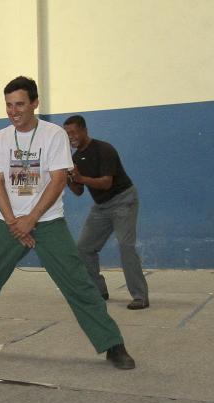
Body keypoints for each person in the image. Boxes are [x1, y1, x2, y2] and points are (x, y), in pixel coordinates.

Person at [0, 76, 135, 370]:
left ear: (34, 103)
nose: (13, 111)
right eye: (8, 106)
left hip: (48, 222)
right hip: (10, 224)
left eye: (19, 104)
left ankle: (113, 345)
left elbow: (57, 181)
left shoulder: (53, 135)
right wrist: (16, 222)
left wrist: (32, 219)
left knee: (78, 284)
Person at [63, 115, 149, 309]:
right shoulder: (75, 158)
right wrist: (67, 178)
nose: (71, 137)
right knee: (84, 248)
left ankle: (140, 296)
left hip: (123, 200)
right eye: (67, 134)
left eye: (73, 132)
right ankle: (98, 291)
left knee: (126, 246)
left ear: (84, 130)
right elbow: (78, 191)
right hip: (101, 206)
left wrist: (80, 177)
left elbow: (106, 182)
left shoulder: (104, 149)